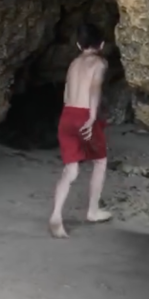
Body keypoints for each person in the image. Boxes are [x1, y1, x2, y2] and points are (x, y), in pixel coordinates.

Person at [49, 23, 113, 238]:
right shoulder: (99, 62)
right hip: (85, 114)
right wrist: (92, 116)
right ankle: (92, 211)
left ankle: (56, 215)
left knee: (71, 169)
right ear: (101, 44)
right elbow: (94, 88)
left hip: (67, 114)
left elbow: (67, 93)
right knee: (100, 161)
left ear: (78, 44)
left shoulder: (73, 64)